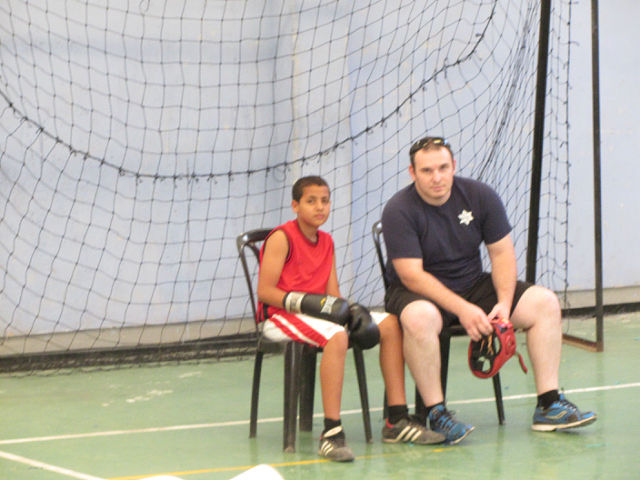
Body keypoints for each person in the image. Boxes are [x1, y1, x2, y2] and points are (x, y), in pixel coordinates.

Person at [381, 136, 597, 444]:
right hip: (416, 292)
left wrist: (504, 305)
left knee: (545, 303)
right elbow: (412, 276)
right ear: (412, 173)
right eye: (427, 171)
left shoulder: (479, 195)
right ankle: (437, 413)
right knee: (420, 318)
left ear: (454, 166)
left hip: (472, 284)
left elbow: (502, 253)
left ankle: (549, 405)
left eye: (443, 168)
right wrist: (463, 309)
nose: (437, 177)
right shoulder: (398, 209)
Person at [258, 175, 444, 462]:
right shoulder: (282, 238)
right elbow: (265, 292)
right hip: (280, 315)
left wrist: (352, 311)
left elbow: (333, 295)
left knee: (391, 324)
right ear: (295, 205)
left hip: (317, 315)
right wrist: (305, 302)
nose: (319, 207)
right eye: (311, 201)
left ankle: (396, 420)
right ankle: (331, 433)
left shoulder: (327, 241)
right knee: (337, 336)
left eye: (325, 201)